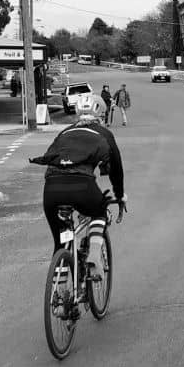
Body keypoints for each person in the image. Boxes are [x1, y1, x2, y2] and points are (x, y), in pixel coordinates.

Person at [34, 93, 126, 271]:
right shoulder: (104, 133)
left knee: (62, 242)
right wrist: (120, 195)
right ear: (100, 115)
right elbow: (116, 168)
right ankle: (94, 253)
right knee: (100, 213)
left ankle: (59, 289)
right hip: (82, 186)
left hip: (52, 188)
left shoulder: (65, 132)